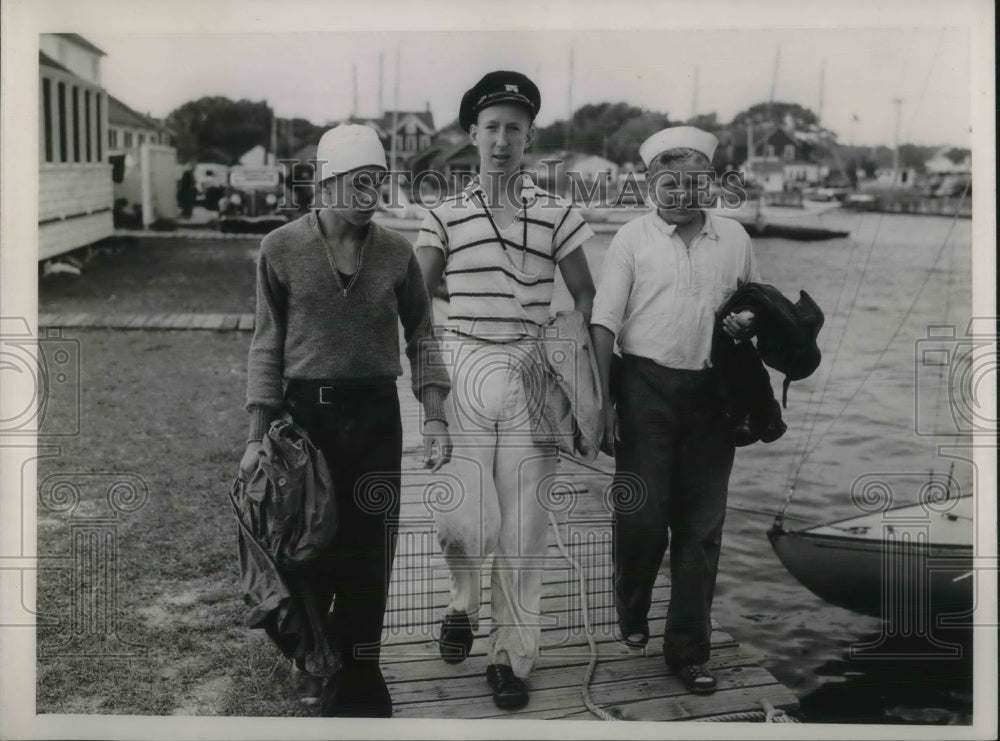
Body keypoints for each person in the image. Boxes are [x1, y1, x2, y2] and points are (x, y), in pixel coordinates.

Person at [241, 123, 452, 717]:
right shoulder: (280, 248)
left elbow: (423, 333)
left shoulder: (397, 252)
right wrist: (257, 435)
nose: (371, 196)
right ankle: (313, 654)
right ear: (327, 181)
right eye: (360, 182)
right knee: (304, 548)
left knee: (370, 550)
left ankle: (359, 671)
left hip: (377, 416)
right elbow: (266, 342)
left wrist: (434, 414)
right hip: (306, 420)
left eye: (378, 183)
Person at [415, 71, 598, 710]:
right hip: (464, 362)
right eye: (490, 128)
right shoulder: (443, 214)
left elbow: (585, 295)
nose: (501, 141)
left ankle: (510, 660)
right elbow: (414, 304)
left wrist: (569, 365)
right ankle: (461, 604)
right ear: (472, 134)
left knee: (524, 529)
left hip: (530, 368)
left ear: (528, 137)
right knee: (465, 517)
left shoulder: (557, 213)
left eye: (513, 130)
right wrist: (429, 392)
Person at [590, 125, 760, 695]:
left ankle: (688, 649)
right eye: (670, 182)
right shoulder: (631, 240)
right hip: (643, 388)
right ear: (649, 183)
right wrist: (603, 401)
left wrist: (746, 323)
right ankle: (632, 608)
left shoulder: (735, 238)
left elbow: (752, 304)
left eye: (695, 182)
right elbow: (603, 323)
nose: (683, 193)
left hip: (713, 395)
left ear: (711, 183)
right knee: (641, 518)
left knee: (702, 529)